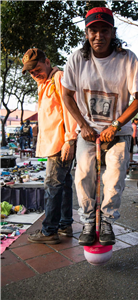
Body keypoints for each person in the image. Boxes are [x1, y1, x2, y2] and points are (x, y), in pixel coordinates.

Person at [61, 7, 138, 247]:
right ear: (87, 33)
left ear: (113, 32)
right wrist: (82, 125)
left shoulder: (127, 58)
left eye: (104, 30)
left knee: (115, 176)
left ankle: (107, 220)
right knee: (84, 174)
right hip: (87, 132)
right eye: (93, 30)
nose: (99, 36)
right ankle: (88, 221)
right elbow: (67, 95)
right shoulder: (78, 58)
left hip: (118, 133)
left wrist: (116, 125)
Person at [21, 48, 77, 244]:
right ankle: (64, 224)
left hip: (60, 143)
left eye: (37, 68)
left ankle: (49, 231)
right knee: (63, 184)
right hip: (56, 143)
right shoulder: (44, 83)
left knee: (52, 186)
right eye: (31, 71)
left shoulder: (58, 77)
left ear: (47, 61)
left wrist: (70, 140)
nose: (35, 73)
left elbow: (70, 110)